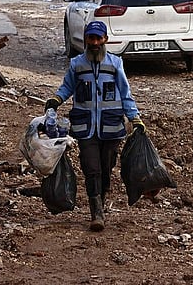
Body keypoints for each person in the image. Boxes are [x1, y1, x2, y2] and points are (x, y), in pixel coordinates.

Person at [44, 20, 145, 232]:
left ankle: (102, 195)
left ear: (105, 40)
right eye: (91, 38)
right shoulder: (77, 64)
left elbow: (126, 94)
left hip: (111, 127)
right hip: (85, 127)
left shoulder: (115, 64)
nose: (95, 42)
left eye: (99, 38)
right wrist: (56, 100)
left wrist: (134, 118)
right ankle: (96, 212)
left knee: (106, 168)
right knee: (91, 168)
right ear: (86, 40)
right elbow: (67, 87)